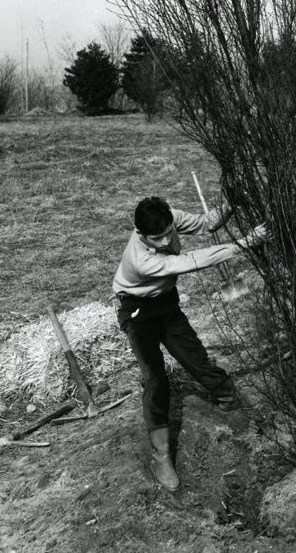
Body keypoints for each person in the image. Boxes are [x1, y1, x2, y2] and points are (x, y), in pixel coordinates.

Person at [113, 195, 268, 492]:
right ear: (141, 234)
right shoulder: (141, 259)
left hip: (166, 304)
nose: (164, 240)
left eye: (168, 232)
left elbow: (207, 224)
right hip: (138, 311)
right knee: (155, 379)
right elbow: (193, 261)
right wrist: (246, 242)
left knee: (194, 357)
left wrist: (231, 203)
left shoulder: (169, 218)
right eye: (156, 238)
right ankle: (161, 457)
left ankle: (227, 398)